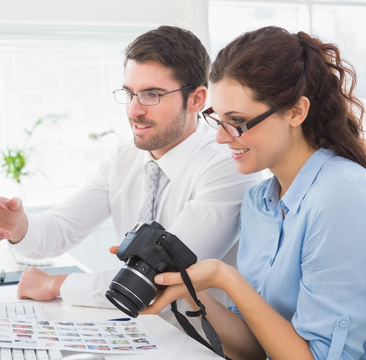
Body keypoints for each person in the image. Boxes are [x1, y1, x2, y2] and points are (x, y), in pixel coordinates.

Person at [0, 25, 262, 328]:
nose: (134, 110)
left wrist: (59, 284)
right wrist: (17, 227)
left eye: (151, 94)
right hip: (138, 330)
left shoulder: (226, 164)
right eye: (129, 94)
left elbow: (162, 276)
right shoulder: (123, 158)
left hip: (201, 341)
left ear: (196, 99)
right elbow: (59, 230)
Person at [143, 26, 366, 359]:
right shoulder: (258, 203)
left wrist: (225, 278)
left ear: (296, 112)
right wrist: (189, 286)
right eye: (216, 119)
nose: (221, 137)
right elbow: (254, 348)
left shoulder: (343, 196)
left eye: (237, 121)